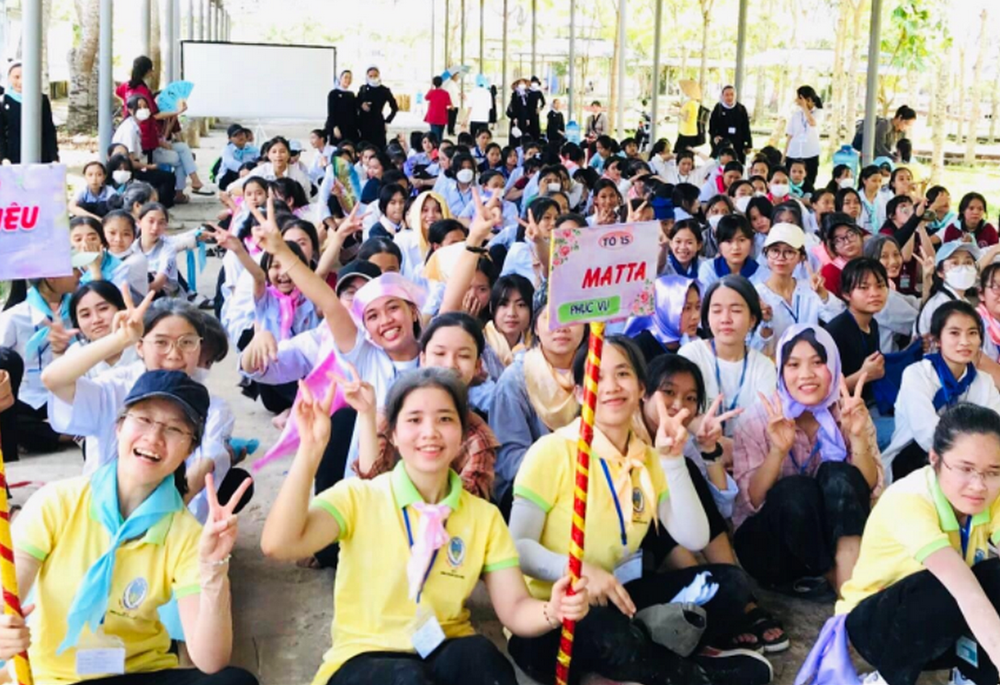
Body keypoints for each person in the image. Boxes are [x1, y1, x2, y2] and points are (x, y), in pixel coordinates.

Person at [260, 367, 589, 685]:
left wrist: (553, 610)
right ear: (394, 434)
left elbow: (515, 608)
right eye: (414, 419)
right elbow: (280, 544)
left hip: (444, 647)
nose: (430, 431)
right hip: (365, 657)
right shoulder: (359, 497)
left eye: (445, 419)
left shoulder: (483, 518)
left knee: (483, 659)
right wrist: (310, 450)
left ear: (462, 432)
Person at [508, 335, 773, 685]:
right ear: (577, 392)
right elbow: (519, 549)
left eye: (622, 374)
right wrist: (579, 572)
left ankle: (636, 665)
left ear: (641, 388)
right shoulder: (551, 451)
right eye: (596, 377)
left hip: (622, 600)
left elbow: (693, 535)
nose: (611, 387)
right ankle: (694, 675)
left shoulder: (646, 457)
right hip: (554, 618)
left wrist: (672, 459)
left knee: (727, 584)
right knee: (603, 629)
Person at [3, 369, 256, 685]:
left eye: (175, 429)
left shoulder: (187, 533)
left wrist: (213, 568)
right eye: (144, 420)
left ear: (190, 450)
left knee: (234, 682)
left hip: (137, 674)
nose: (154, 438)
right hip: (56, 678)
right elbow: (9, 592)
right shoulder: (57, 502)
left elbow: (211, 660)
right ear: (119, 426)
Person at [829, 403, 1000, 685]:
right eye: (965, 468)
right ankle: (885, 679)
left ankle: (971, 673)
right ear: (935, 458)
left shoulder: (992, 495)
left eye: (993, 471)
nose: (979, 485)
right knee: (944, 587)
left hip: (944, 623)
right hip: (878, 626)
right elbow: (964, 592)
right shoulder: (909, 499)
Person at [733, 324, 881, 598]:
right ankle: (843, 582)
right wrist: (778, 451)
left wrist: (857, 436)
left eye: (818, 362)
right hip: (773, 550)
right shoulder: (758, 418)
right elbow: (752, 500)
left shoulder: (848, 410)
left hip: (835, 539)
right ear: (780, 370)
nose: (806, 375)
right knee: (796, 490)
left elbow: (868, 486)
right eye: (793, 364)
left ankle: (848, 593)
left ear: (834, 367)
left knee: (839, 474)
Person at [882, 301, 1000, 484]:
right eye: (954, 333)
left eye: (972, 333)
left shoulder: (983, 382)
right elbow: (926, 433)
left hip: (972, 462)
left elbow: (994, 428)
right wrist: (968, 457)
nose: (965, 341)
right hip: (916, 458)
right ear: (937, 340)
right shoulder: (917, 374)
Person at [679, 276, 777, 437]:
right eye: (717, 311)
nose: (725, 319)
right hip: (694, 457)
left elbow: (763, 425)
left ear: (752, 319)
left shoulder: (764, 367)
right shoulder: (690, 355)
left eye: (736, 310)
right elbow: (681, 411)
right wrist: (712, 438)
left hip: (748, 456)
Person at [755, 223, 843, 357]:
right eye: (775, 251)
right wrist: (765, 325)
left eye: (789, 252)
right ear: (766, 254)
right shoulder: (757, 295)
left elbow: (839, 319)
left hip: (810, 363)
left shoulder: (809, 289)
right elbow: (753, 347)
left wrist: (823, 294)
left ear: (801, 257)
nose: (781, 258)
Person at [624, 275, 702, 362]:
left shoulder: (702, 338)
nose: (696, 316)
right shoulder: (640, 347)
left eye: (698, 307)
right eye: (687, 308)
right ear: (665, 309)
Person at [0, 61, 58, 164]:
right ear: (9, 78)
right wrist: (3, 157)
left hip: (40, 155)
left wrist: (54, 157)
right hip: (11, 159)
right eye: (16, 77)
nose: (21, 82)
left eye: (25, 77)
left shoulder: (41, 99)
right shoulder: (3, 101)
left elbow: (49, 130)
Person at [784, 85, 823, 194]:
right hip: (794, 152)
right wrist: (784, 155)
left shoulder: (819, 112)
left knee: (809, 183)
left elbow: (812, 122)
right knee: (790, 182)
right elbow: (790, 135)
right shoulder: (796, 115)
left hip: (810, 153)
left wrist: (805, 107)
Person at [819, 213, 866, 300]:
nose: (847, 242)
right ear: (834, 247)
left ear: (860, 235)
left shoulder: (872, 261)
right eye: (838, 240)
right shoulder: (830, 272)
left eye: (851, 234)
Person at [357, 66, 399, 150]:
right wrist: (361, 105)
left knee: (378, 147)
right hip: (363, 123)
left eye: (375, 75)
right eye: (370, 76)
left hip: (378, 123)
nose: (373, 78)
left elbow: (394, 107)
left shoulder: (384, 90)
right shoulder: (363, 89)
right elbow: (356, 102)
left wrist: (387, 121)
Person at [709, 85, 752, 163]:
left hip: (738, 143)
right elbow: (712, 126)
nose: (729, 97)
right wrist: (714, 137)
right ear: (722, 96)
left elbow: (746, 128)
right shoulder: (718, 109)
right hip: (722, 143)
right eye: (727, 95)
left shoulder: (741, 109)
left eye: (731, 94)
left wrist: (749, 144)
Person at [326, 70, 360, 144]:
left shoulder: (351, 94)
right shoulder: (333, 93)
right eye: (345, 77)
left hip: (350, 129)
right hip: (338, 128)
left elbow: (354, 112)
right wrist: (334, 127)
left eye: (350, 78)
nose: (348, 80)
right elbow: (331, 112)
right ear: (340, 79)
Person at [675, 79, 703, 153]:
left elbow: (686, 118)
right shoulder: (694, 103)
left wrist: (677, 113)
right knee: (688, 152)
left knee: (679, 152)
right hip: (690, 131)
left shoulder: (690, 103)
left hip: (686, 132)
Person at [424, 75, 452, 141]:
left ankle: (436, 148)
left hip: (433, 116)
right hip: (442, 116)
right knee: (440, 134)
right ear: (441, 83)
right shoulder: (445, 93)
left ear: (433, 83)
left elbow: (426, 98)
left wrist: (430, 89)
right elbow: (448, 104)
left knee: (434, 135)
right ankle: (439, 147)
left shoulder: (431, 92)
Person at [506, 79, 532, 147]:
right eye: (520, 83)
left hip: (523, 118)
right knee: (515, 134)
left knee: (522, 133)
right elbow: (513, 106)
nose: (522, 85)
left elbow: (527, 108)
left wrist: (527, 118)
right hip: (516, 118)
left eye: (523, 83)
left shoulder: (526, 95)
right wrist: (514, 117)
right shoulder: (515, 94)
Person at [526, 75, 546, 140]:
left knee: (535, 129)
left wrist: (540, 108)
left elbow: (543, 102)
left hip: (535, 112)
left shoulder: (538, 92)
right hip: (527, 112)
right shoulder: (527, 91)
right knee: (528, 129)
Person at [443, 69, 461, 136]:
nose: (458, 78)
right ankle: (450, 131)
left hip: (456, 104)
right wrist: (451, 104)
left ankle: (452, 130)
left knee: (453, 119)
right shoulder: (450, 84)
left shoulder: (455, 84)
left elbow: (456, 93)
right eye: (457, 76)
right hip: (452, 105)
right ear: (453, 76)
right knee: (451, 119)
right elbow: (448, 95)